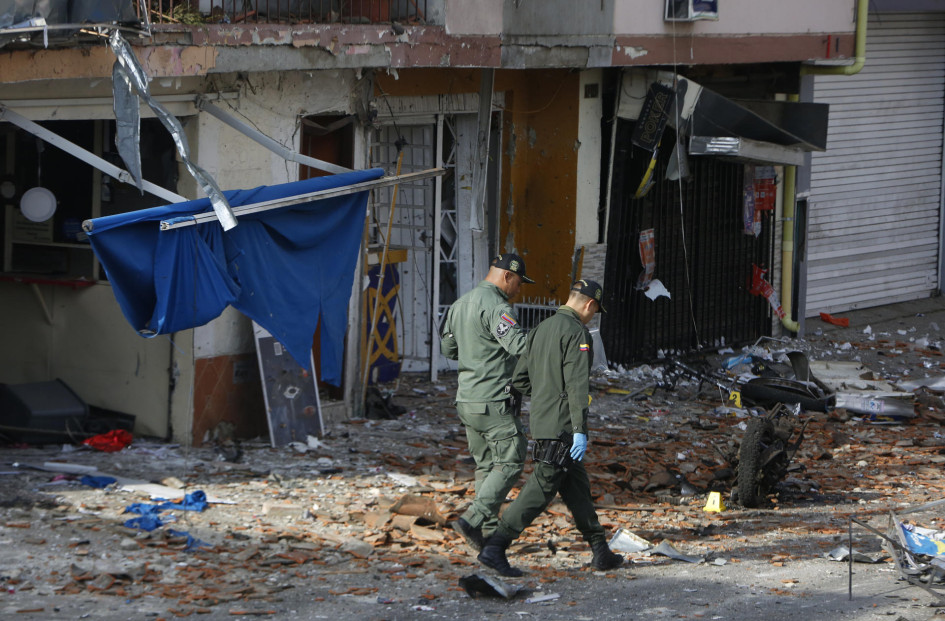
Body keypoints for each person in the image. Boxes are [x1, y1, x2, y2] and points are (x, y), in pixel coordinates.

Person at [477, 279, 624, 576]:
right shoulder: (577, 333)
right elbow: (577, 385)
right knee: (542, 486)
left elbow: (520, 380)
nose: (592, 317)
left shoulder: (541, 329)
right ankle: (496, 546)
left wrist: (545, 391)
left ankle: (600, 550)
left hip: (543, 421)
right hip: (563, 425)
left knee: (576, 487)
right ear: (589, 304)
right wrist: (580, 428)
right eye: (595, 311)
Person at [440, 253, 535, 552]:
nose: (518, 290)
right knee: (511, 459)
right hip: (493, 399)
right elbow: (519, 345)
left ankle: (486, 532)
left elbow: (449, 349)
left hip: (467, 399)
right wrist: (549, 339)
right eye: (518, 283)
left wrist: (477, 349)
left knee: (486, 465)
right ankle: (472, 519)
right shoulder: (497, 306)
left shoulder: (459, 304)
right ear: (507, 276)